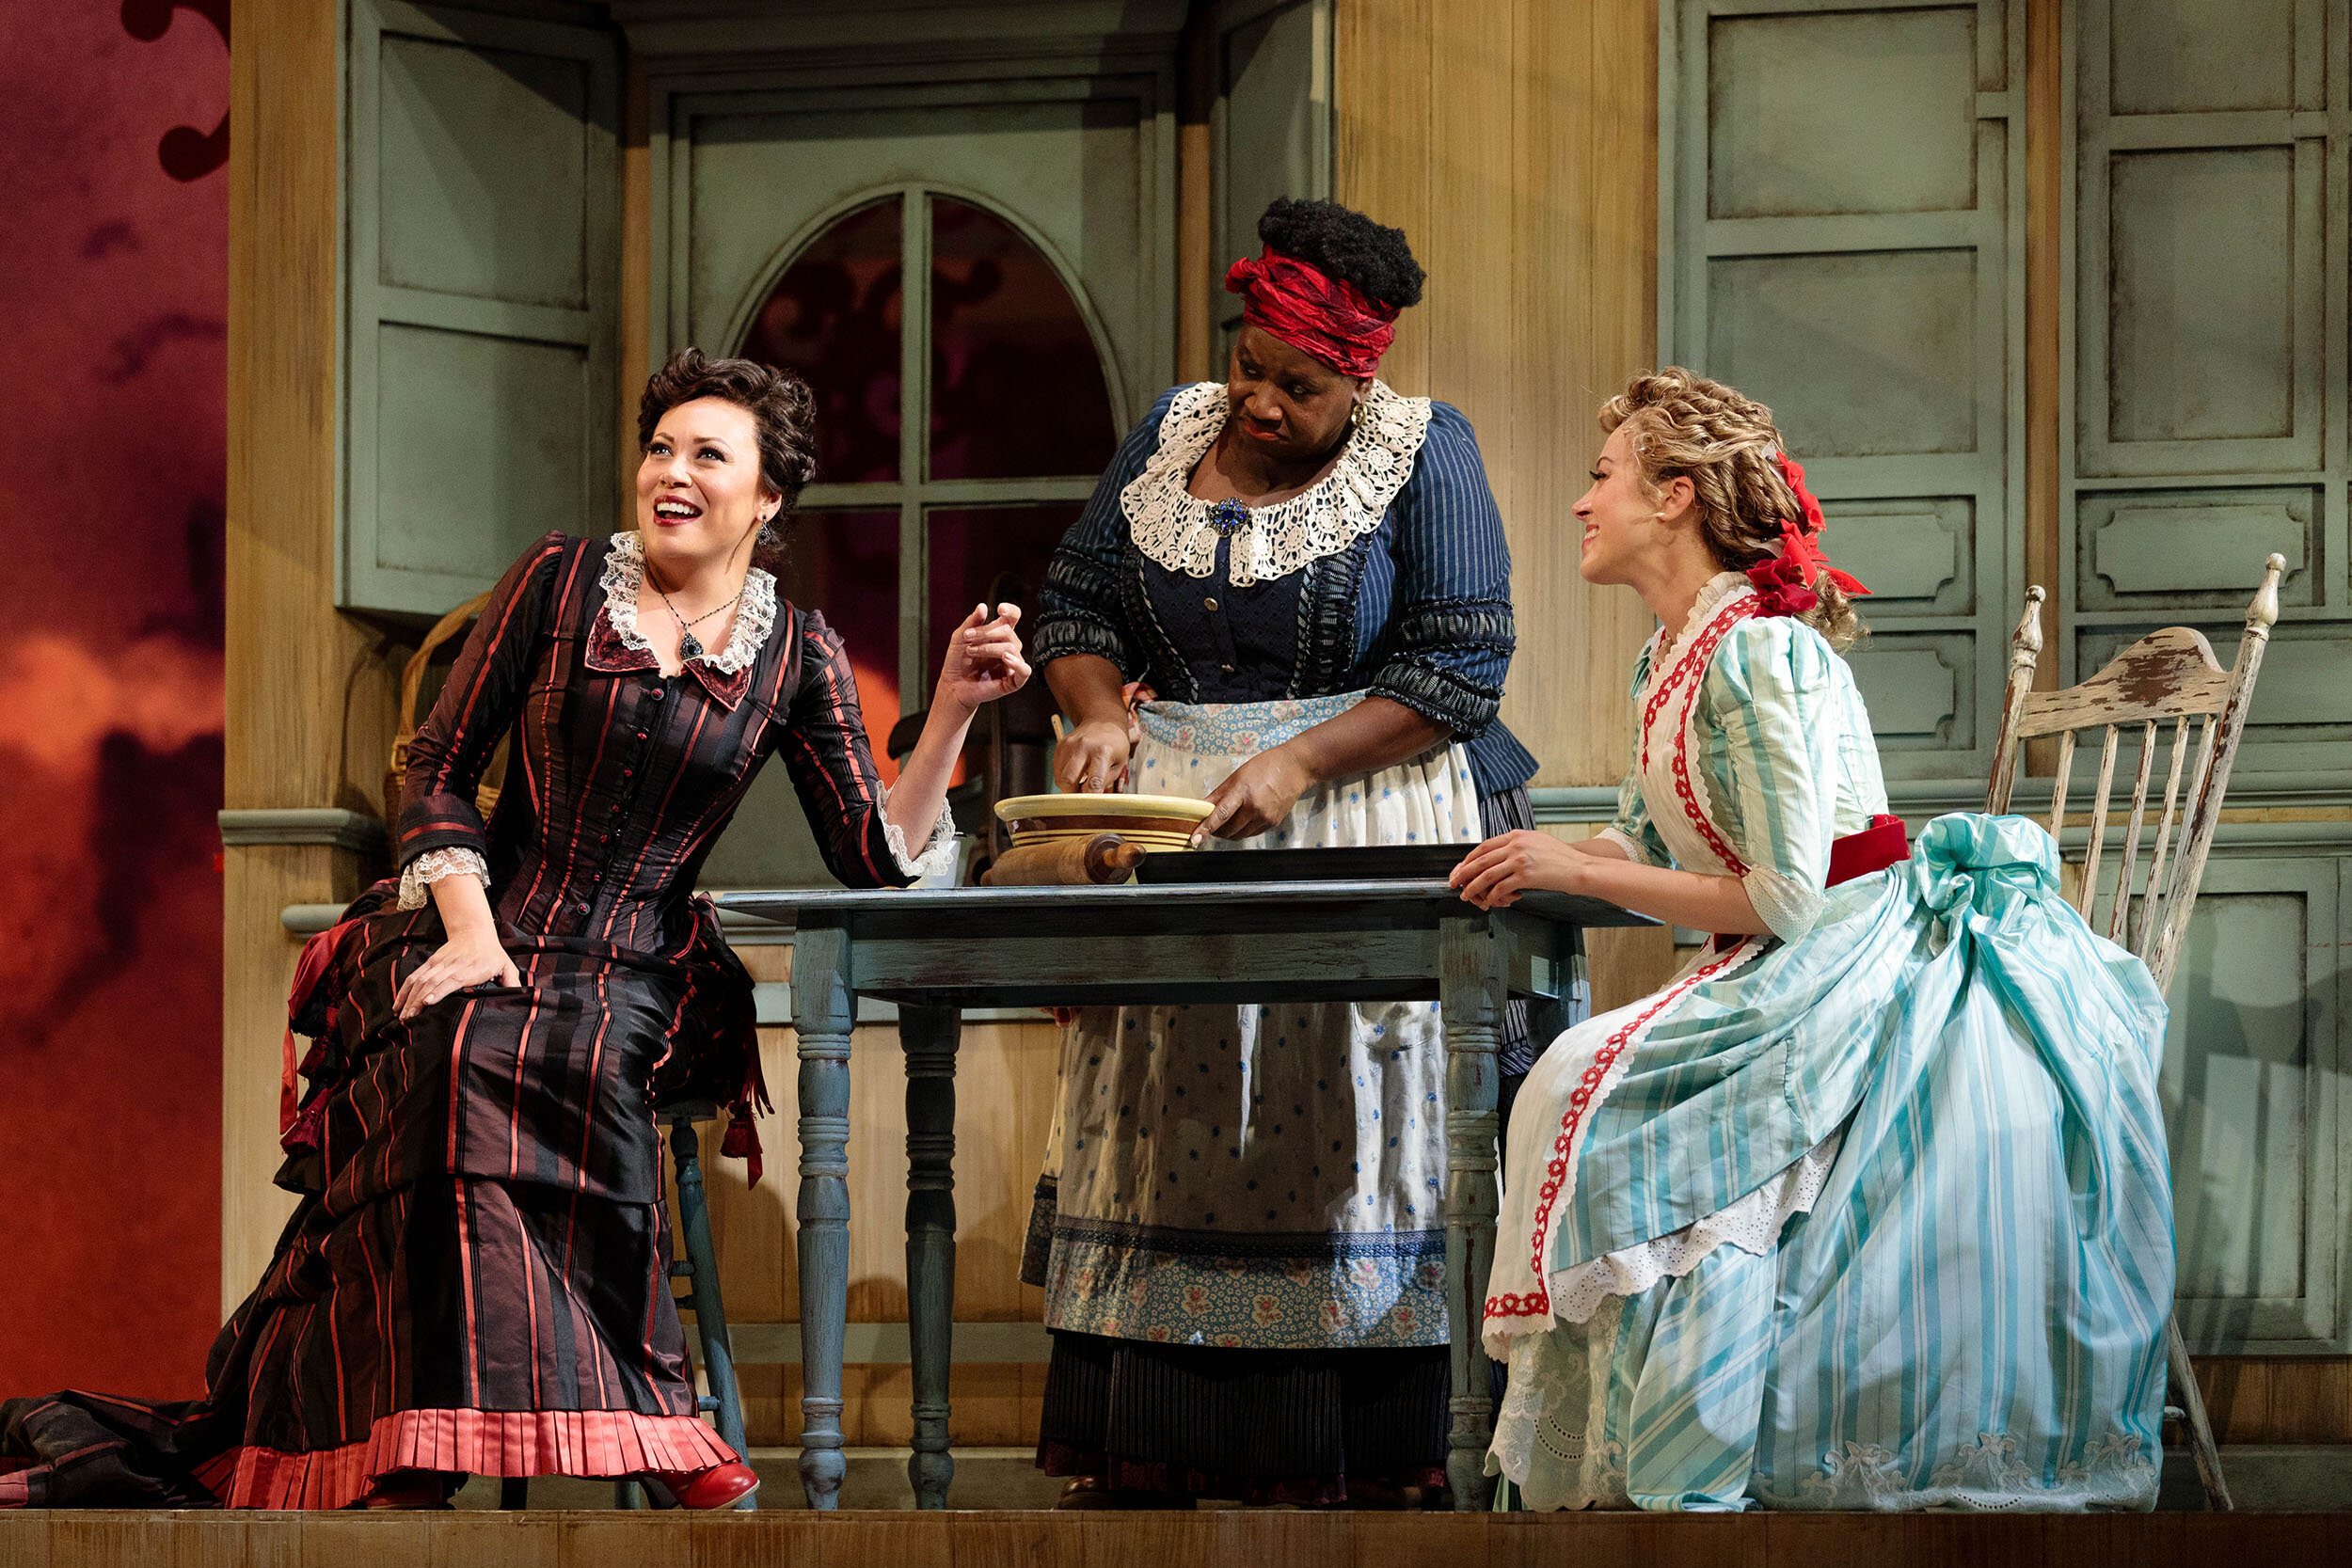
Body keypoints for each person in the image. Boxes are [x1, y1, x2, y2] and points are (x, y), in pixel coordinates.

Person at [0, 349, 1031, 1511]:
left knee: (545, 1050)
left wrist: (946, 709)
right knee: (457, 1050)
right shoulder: (560, 576)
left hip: (642, 958)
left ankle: (635, 1416)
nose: (671, 473)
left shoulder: (797, 653)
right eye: (660, 447)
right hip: (477, 917)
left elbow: (871, 852)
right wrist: (469, 927)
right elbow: (436, 761)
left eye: (707, 454)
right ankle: (427, 1440)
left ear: (768, 496)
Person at [1460, 368, 2172, 1512]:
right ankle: (1655, 1445)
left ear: (1677, 494)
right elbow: (1648, 830)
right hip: (1775, 954)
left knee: (1587, 1079)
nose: (1582, 502)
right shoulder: (1669, 656)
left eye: (1602, 477)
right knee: (1571, 1078)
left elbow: (1788, 891)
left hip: (1844, 947)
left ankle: (1695, 1447)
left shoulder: (1761, 653)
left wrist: (1578, 870)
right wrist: (1528, 855)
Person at [1025, 197, 1546, 1507]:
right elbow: (1075, 599)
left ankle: (1375, 1441)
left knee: (1345, 1127)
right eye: (1250, 363)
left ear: (1356, 375)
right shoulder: (1170, 433)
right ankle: (1160, 1427)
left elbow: (1461, 657)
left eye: (1293, 385)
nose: (1257, 398)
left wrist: (1304, 758)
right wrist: (1094, 705)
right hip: (1180, 827)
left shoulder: (1425, 454)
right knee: (1171, 1122)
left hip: (1363, 811)